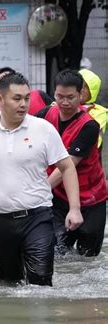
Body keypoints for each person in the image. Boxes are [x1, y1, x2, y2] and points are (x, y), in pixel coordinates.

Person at [0, 72, 83, 286]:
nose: (23, 104)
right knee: (9, 283)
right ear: (0, 99)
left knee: (40, 283)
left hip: (37, 217)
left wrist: (74, 208)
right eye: (17, 98)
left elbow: (66, 166)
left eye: (27, 98)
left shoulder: (43, 129)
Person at [37, 69, 107, 257]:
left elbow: (66, 166)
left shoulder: (90, 126)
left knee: (87, 259)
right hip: (59, 196)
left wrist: (37, 190)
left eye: (70, 97)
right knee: (57, 252)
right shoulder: (45, 115)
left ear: (81, 94)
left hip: (91, 199)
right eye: (59, 96)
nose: (64, 103)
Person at [79, 68, 107, 151]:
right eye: (79, 85)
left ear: (92, 92)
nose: (81, 90)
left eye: (86, 87)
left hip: (89, 156)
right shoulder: (59, 105)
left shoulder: (99, 112)